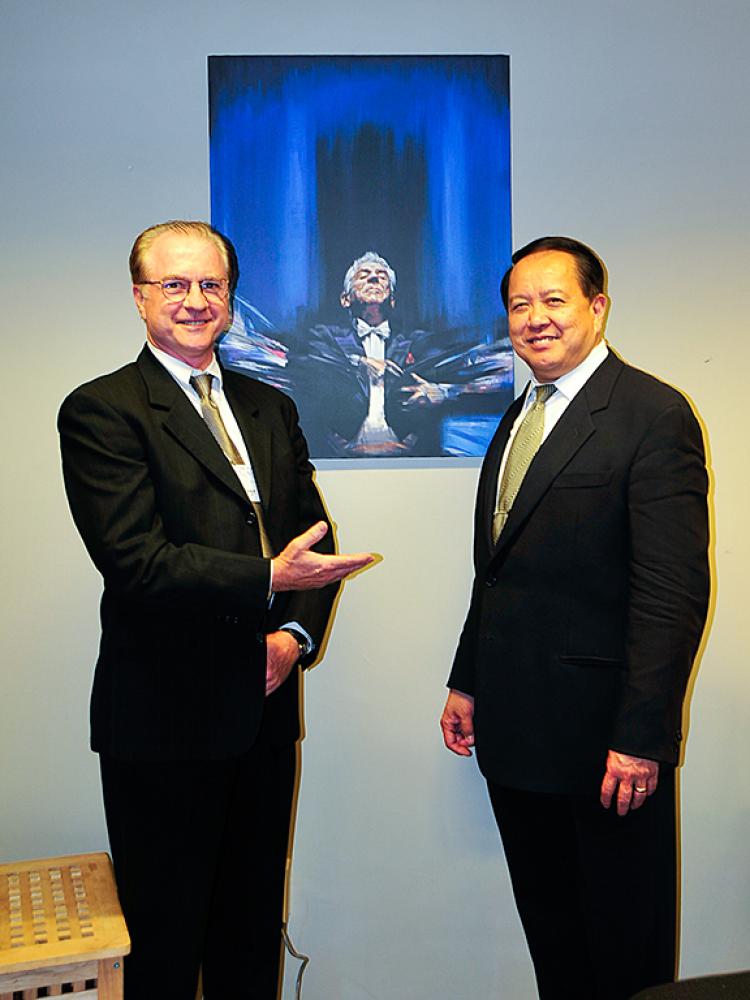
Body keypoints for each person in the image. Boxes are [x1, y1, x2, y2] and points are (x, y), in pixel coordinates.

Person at [58, 220, 374, 999]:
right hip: (162, 720)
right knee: (164, 948)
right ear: (139, 298)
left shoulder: (270, 407)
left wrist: (295, 634)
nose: (195, 301)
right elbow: (137, 561)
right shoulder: (103, 411)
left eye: (211, 285)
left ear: (230, 298)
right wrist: (269, 577)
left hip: (263, 709)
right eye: (175, 285)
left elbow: (314, 541)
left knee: (248, 935)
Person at [440, 236, 710, 1000]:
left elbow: (672, 591)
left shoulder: (652, 413)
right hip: (518, 736)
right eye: (519, 305)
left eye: (553, 300)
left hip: (606, 750)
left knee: (625, 958)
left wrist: (640, 736)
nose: (535, 319)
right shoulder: (519, 416)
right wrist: (469, 682)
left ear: (596, 306)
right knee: (557, 949)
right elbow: (497, 574)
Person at [293, 251, 449, 456]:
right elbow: (306, 365)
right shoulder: (324, 336)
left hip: (410, 461)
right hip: (341, 461)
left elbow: (445, 375)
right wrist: (359, 362)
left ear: (392, 300)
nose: (374, 278)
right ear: (345, 299)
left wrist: (437, 392)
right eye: (364, 274)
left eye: (381, 276)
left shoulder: (417, 340)